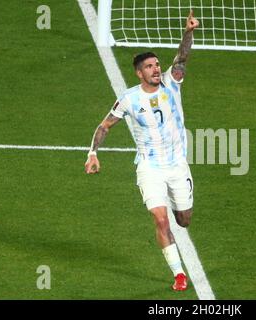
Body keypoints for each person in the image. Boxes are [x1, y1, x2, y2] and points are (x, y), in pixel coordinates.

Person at [84, 11, 199, 291]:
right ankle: (179, 274)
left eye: (158, 64)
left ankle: (175, 205)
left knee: (183, 220)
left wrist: (189, 32)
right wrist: (92, 153)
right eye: (150, 66)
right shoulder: (129, 99)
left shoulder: (172, 83)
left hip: (177, 166)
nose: (157, 69)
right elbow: (105, 125)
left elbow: (181, 59)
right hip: (149, 168)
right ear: (139, 72)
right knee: (160, 219)